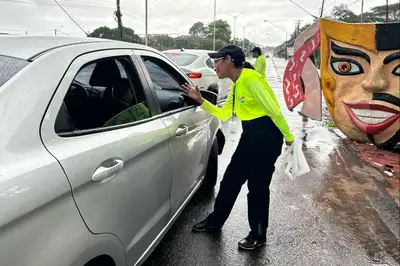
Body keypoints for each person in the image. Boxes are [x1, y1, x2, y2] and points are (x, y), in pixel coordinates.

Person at [181, 45, 294, 251]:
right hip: (249, 136)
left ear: (229, 61)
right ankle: (216, 221)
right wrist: (201, 100)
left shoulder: (251, 79)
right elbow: (224, 115)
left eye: (217, 61)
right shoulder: (237, 84)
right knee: (231, 180)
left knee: (257, 187)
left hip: (267, 137)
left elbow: (274, 110)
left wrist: (289, 137)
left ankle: (258, 234)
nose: (214, 66)